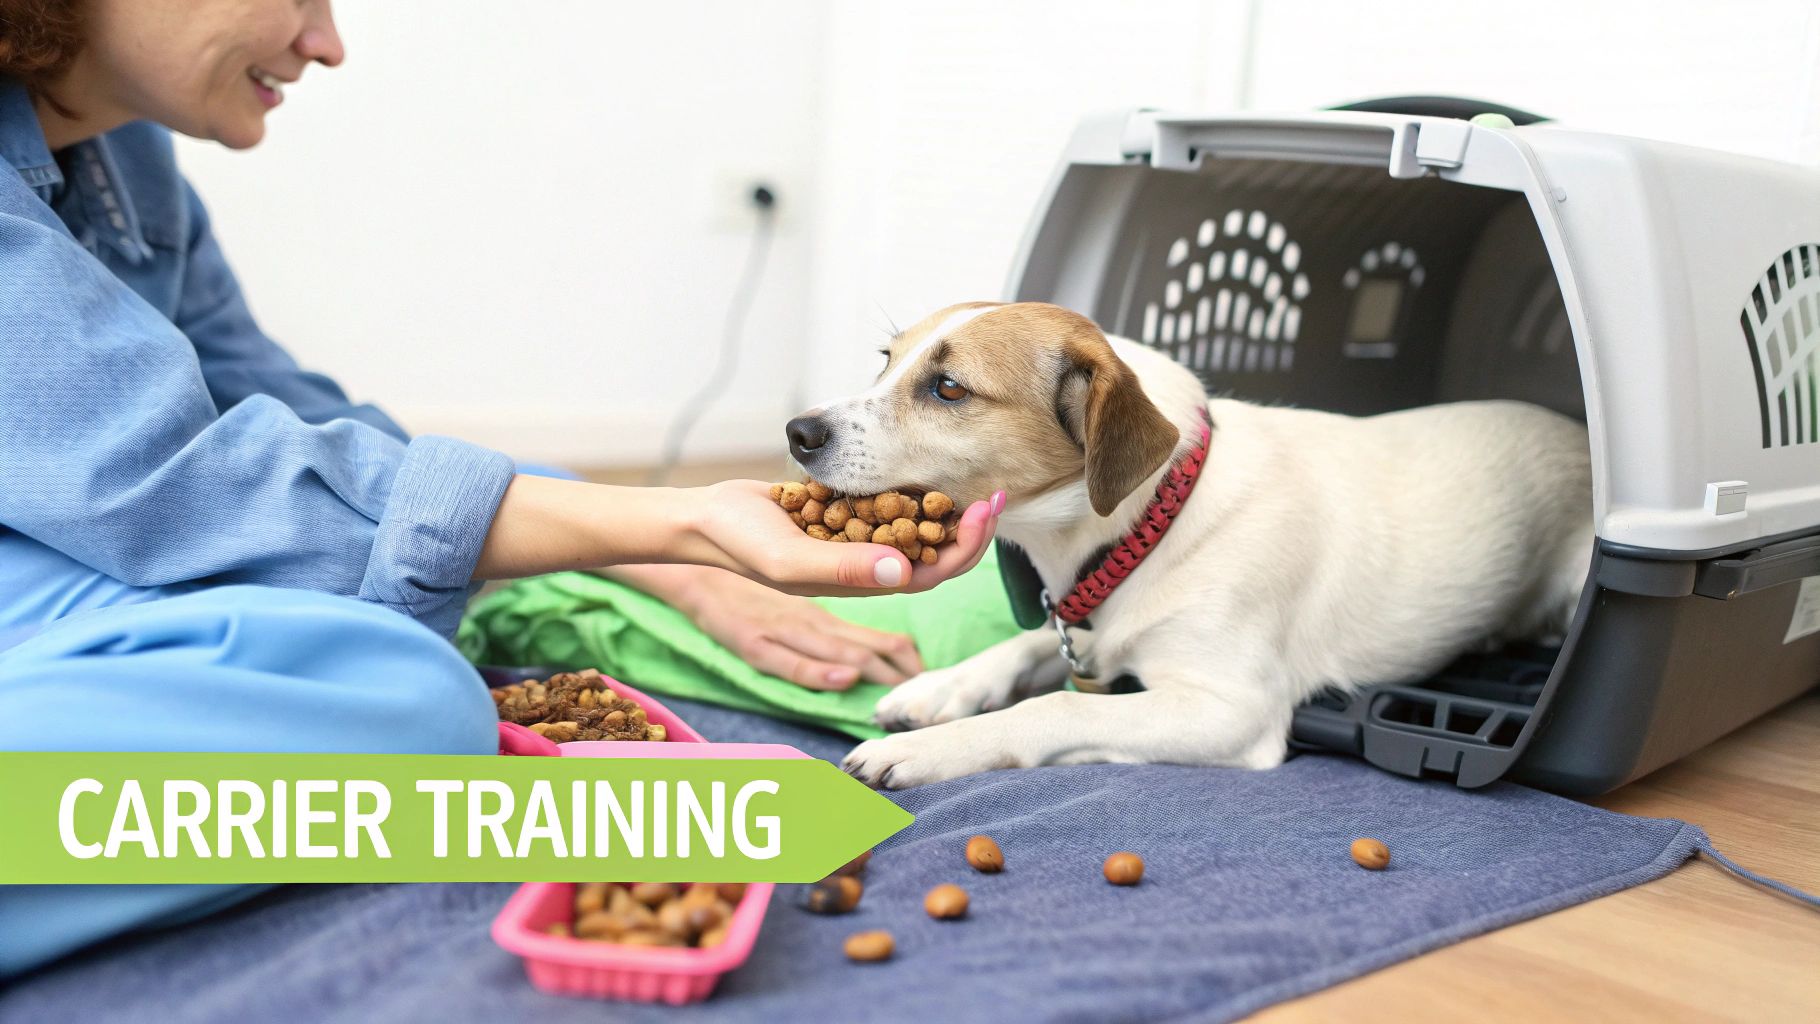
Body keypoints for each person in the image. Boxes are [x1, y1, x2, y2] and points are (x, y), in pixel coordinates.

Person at [0, 0, 1003, 976]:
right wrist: (682, 525)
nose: (327, 42)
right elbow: (184, 483)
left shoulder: (128, 155)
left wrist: (669, 562)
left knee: (385, 646)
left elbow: (287, 414)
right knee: (411, 694)